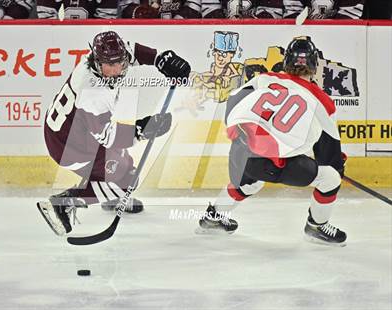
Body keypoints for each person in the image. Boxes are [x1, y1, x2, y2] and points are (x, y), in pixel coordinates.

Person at [197, 36, 347, 247]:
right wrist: (337, 168)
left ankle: (214, 217)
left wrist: (242, 139)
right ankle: (316, 226)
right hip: (276, 164)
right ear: (313, 65)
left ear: (287, 61)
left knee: (251, 182)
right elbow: (329, 152)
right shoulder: (323, 102)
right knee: (330, 178)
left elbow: (233, 101)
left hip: (243, 153)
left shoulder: (265, 79)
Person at [37, 31, 190, 236]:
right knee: (127, 181)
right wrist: (142, 129)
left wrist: (160, 59)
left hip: (68, 129)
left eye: (119, 63)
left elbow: (132, 50)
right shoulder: (93, 93)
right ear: (97, 62)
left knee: (124, 163)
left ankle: (109, 195)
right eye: (109, 65)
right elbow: (107, 137)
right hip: (68, 146)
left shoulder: (101, 58)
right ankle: (62, 204)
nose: (115, 70)